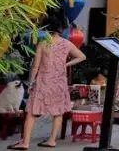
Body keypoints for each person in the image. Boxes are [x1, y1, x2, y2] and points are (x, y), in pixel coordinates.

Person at [9, 16, 86, 150]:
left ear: (46, 29)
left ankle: (25, 142)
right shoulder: (66, 43)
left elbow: (35, 66)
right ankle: (51, 140)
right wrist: (66, 64)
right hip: (59, 82)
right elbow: (82, 56)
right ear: (60, 29)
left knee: (32, 112)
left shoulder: (43, 43)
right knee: (58, 112)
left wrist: (31, 83)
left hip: (43, 81)